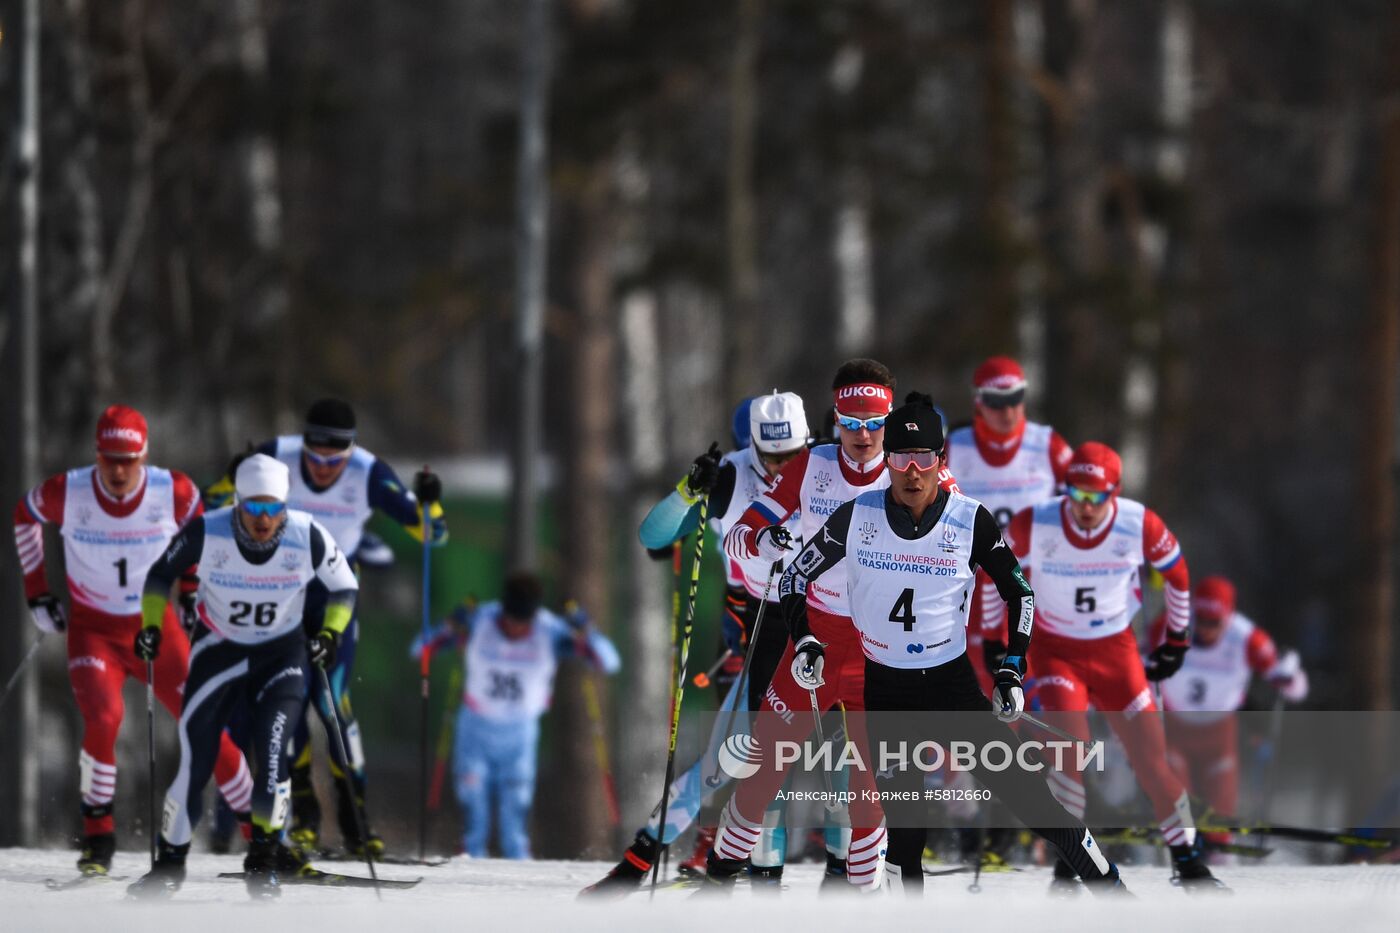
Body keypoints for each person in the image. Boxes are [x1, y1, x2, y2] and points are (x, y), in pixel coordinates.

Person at [701, 397, 1126, 895]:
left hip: (952, 688)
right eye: (900, 458)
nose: (912, 472)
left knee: (1032, 800)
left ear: (941, 461)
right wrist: (808, 640)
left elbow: (1021, 593)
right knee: (904, 837)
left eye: (924, 458)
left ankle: (1111, 888)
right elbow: (794, 579)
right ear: (888, 463)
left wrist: (1012, 667)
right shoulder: (856, 516)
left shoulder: (970, 520)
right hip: (888, 696)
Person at [582, 390, 812, 894]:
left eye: (792, 456)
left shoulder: (827, 469)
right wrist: (689, 492)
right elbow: (654, 537)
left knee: (841, 762)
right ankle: (646, 860)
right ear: (751, 446)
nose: (781, 468)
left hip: (826, 633)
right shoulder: (733, 476)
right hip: (759, 628)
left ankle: (857, 878)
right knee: (728, 760)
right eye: (771, 457)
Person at [10, 405, 253, 877]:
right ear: (96, 455)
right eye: (109, 458)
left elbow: (197, 529)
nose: (118, 470)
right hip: (93, 631)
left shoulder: (172, 490)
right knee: (103, 717)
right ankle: (98, 837)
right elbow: (25, 514)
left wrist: (188, 589)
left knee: (205, 724)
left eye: (129, 459)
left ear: (144, 456)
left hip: (155, 628)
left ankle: (262, 833)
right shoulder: (69, 491)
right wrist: (37, 590)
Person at [205, 398, 447, 856]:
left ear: (349, 452)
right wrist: (230, 476)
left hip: (336, 597)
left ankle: (357, 821)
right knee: (286, 700)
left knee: (332, 700)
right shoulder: (278, 454)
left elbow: (434, 535)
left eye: (332, 461)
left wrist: (430, 503)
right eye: (313, 459)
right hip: (282, 594)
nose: (320, 469)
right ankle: (305, 821)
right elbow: (212, 505)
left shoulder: (367, 472)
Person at [995, 441, 1226, 891]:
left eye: (1097, 498)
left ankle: (1190, 863)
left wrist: (1176, 640)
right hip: (1056, 651)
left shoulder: (1139, 524)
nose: (1085, 508)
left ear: (1114, 494)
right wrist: (996, 640)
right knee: (1069, 752)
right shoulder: (1038, 521)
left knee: (1151, 759)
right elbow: (996, 577)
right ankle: (1070, 863)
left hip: (1116, 652)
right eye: (1077, 496)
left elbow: (1178, 577)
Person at [126, 454, 359, 899]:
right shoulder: (207, 530)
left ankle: (265, 863)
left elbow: (345, 586)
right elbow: (159, 575)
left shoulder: (306, 533)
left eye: (273, 508)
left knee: (273, 759)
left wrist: (329, 632)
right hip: (220, 653)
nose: (263, 519)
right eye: (253, 508)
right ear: (237, 504)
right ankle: (169, 866)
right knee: (195, 764)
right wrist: (151, 626)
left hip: (281, 657)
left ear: (285, 507)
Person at [945, 356, 1072, 865]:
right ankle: (965, 830)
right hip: (963, 596)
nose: (1006, 412)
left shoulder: (1048, 446)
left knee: (1022, 711)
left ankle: (1008, 829)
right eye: (996, 402)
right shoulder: (955, 446)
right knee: (963, 716)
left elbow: (1083, 507)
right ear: (979, 402)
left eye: (1015, 399)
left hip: (1026, 598)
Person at [414, 572, 620, 858]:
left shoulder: (549, 630)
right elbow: (420, 649)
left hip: (520, 734)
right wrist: (450, 625)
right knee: (474, 812)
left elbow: (608, 661)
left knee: (515, 815)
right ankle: (468, 873)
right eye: (510, 621)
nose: (515, 630)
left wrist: (586, 628)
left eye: (524, 624)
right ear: (502, 610)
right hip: (476, 728)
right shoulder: (480, 620)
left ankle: (521, 876)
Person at [1153, 575, 1308, 849]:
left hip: (1219, 732)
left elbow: (1293, 688)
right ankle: (1182, 857)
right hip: (1175, 727)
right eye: (1200, 620)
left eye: (1214, 623)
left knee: (1220, 808)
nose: (1206, 629)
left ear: (1228, 616)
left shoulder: (1247, 638)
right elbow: (1134, 661)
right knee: (1179, 803)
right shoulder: (1169, 625)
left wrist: (1290, 676)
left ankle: (1219, 857)